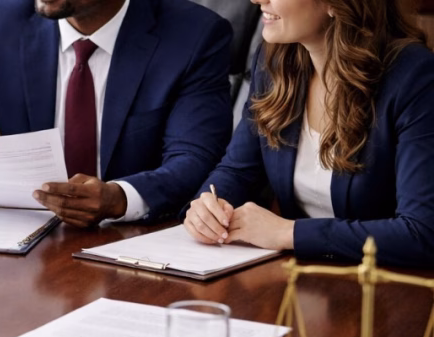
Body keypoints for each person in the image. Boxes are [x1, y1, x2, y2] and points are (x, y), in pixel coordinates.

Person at [0, 0, 234, 227]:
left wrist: (118, 198)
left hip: (134, 247)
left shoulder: (193, 34)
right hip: (23, 250)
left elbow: (194, 160)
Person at [184, 0, 434, 268]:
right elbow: (237, 171)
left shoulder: (415, 77)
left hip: (387, 289)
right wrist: (209, 207)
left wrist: (288, 233)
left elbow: (421, 233)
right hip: (299, 279)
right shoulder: (273, 62)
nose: (257, 0)